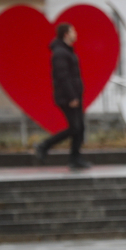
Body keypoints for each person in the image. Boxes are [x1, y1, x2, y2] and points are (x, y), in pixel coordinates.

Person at [35, 23, 91, 170]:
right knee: (75, 127)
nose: (76, 34)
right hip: (68, 97)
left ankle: (75, 159)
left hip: (74, 96)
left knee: (80, 128)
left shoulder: (66, 51)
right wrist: (72, 97)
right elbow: (63, 77)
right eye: (73, 31)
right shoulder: (60, 53)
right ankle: (44, 145)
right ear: (66, 34)